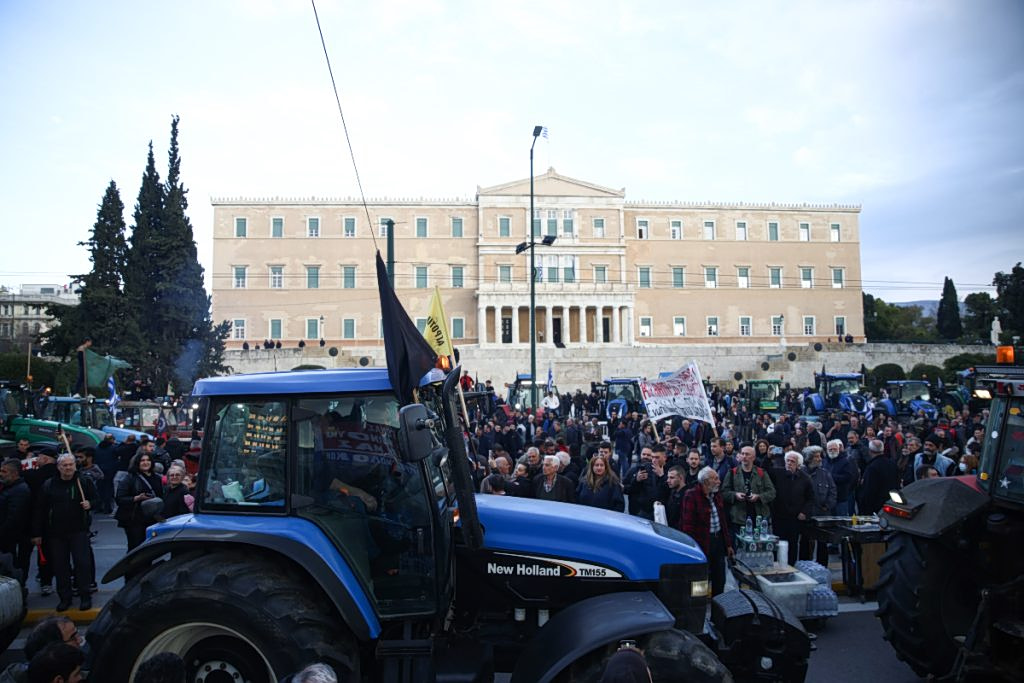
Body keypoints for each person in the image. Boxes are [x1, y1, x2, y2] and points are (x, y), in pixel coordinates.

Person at [31, 454, 97, 612]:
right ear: (59, 467)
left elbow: (96, 500)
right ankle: (65, 598)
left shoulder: (83, 481)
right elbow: (40, 510)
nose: (68, 468)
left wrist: (90, 504)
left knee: (82, 564)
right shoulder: (49, 485)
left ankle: (85, 595)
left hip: (79, 531)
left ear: (75, 465)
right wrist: (37, 533)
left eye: (70, 465)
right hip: (56, 533)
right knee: (61, 566)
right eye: (64, 465)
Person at [680, 467, 733, 596]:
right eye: (715, 479)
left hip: (717, 542)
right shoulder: (691, 495)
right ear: (706, 481)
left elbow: (723, 522)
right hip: (702, 544)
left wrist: (728, 544)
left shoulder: (716, 495)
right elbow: (688, 526)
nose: (719, 482)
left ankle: (718, 612)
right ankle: (699, 610)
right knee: (700, 582)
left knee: (720, 580)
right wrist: (693, 549)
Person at [721, 444, 776, 539]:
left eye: (747, 454)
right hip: (739, 518)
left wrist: (758, 497)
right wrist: (735, 495)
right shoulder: (732, 473)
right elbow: (724, 492)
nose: (744, 456)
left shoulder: (761, 473)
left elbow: (772, 492)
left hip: (758, 517)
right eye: (742, 454)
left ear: (754, 457)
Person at [771, 451, 814, 566]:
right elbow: (765, 469)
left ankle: (791, 567)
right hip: (779, 517)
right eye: (787, 461)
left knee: (792, 545)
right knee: (778, 544)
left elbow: (811, 498)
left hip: (795, 519)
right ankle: (777, 567)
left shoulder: (805, 478)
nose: (789, 463)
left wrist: (804, 512)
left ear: (798, 465)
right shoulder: (778, 473)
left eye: (792, 461)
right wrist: (769, 456)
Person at [114, 452, 165, 551]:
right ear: (137, 463)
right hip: (134, 519)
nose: (145, 463)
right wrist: (136, 498)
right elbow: (119, 498)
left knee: (150, 549)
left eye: (148, 460)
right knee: (136, 548)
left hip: (152, 519)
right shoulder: (129, 478)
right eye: (142, 460)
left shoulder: (157, 478)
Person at [800, 446, 836, 566]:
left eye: (819, 456)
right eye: (816, 456)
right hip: (807, 515)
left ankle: (823, 567)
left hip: (822, 515)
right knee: (805, 543)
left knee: (822, 544)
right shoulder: (802, 473)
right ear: (809, 458)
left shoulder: (825, 474)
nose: (819, 459)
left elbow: (832, 491)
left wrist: (828, 505)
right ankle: (804, 565)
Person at [0, 457, 32, 581]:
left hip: (14, 538)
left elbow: (14, 518)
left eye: (4, 471)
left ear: (14, 474)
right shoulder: (9, 488)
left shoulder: (20, 491)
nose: (1, 474)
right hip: (9, 538)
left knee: (14, 567)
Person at [858, 439, 901, 514]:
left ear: (870, 451)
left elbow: (868, 490)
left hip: (875, 507)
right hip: (890, 503)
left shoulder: (872, 467)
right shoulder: (892, 464)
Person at [823, 439, 858, 516]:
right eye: (830, 449)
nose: (832, 451)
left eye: (835, 449)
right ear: (827, 450)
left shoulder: (845, 461)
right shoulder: (824, 461)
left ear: (838, 449)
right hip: (827, 499)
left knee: (841, 521)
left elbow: (848, 477)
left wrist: (830, 477)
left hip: (841, 497)